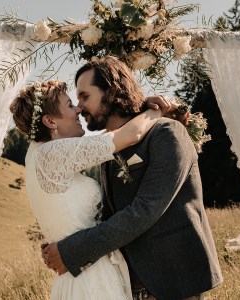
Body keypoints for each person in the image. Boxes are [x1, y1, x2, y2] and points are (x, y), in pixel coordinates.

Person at [42, 56, 223, 300]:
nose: (80, 106)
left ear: (112, 91)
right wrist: (61, 239)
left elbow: (145, 210)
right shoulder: (108, 150)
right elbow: (111, 213)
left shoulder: (167, 133)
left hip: (173, 281)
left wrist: (73, 251)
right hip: (128, 285)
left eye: (85, 96)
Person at [10, 79, 169, 300]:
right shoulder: (51, 154)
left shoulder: (37, 154)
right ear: (49, 120)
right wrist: (156, 110)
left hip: (79, 271)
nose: (78, 110)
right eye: (69, 105)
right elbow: (131, 135)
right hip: (90, 277)